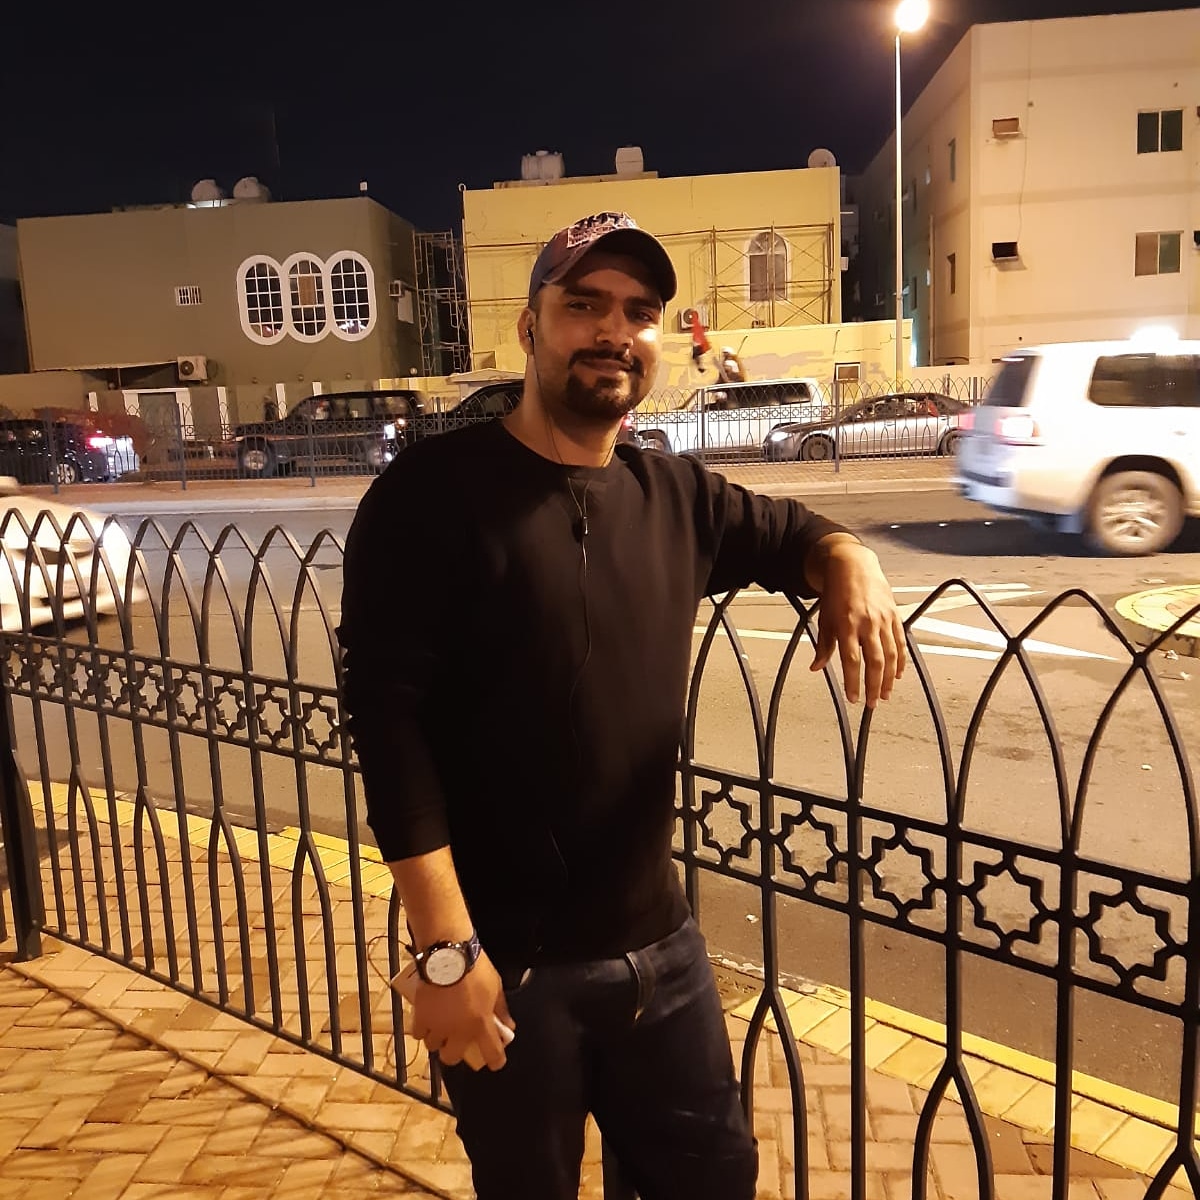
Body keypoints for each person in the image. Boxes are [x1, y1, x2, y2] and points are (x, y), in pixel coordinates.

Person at [338, 211, 906, 1200]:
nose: (614, 331)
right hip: (503, 964)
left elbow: (794, 533)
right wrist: (446, 952)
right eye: (585, 305)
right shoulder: (429, 495)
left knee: (715, 1182)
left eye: (640, 312)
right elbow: (388, 730)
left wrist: (850, 559)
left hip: (663, 957)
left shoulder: (675, 496)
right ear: (530, 327)